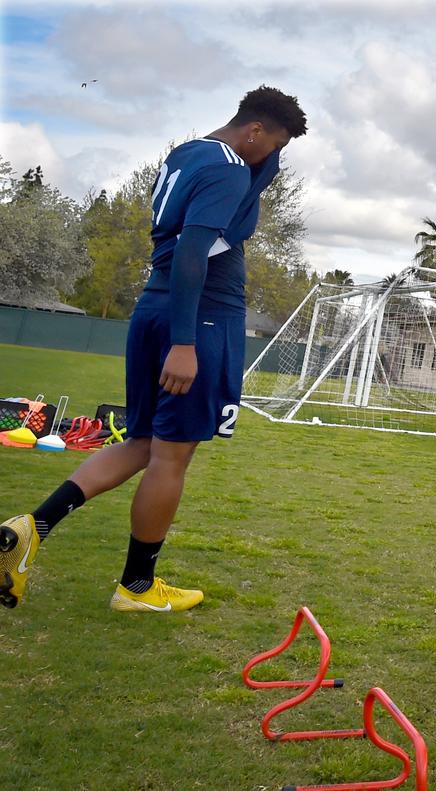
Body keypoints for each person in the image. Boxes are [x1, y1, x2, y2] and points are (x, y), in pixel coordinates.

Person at [0, 86, 307, 613]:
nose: (271, 156)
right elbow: (193, 248)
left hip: (154, 307)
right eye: (273, 143)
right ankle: (136, 587)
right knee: (172, 454)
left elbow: (253, 175)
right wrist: (186, 344)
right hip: (198, 316)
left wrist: (275, 141)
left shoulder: (188, 153)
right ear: (254, 132)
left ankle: (28, 529)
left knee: (141, 442)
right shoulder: (230, 167)